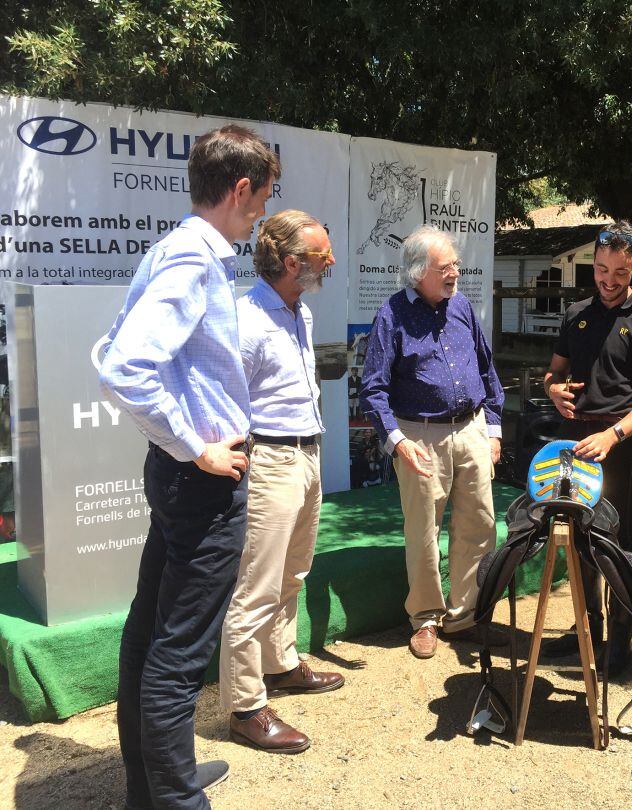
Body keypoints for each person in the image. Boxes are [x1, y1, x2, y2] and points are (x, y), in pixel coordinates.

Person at [99, 125, 280, 808]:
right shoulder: (193, 259)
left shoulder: (176, 249)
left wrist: (182, 445)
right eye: (262, 197)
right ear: (240, 190)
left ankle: (155, 784)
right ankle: (172, 799)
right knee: (176, 653)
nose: (262, 210)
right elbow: (123, 368)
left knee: (151, 633)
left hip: (183, 476)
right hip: (202, 480)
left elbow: (115, 350)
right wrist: (194, 445)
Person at [219, 210, 343, 754]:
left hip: (306, 454)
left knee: (294, 571)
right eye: (322, 256)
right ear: (293, 263)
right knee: (256, 586)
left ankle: (282, 664)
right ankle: (245, 708)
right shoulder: (246, 319)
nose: (331, 262)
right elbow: (225, 399)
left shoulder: (300, 311)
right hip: (269, 460)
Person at [359, 225, 506, 660]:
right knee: (423, 530)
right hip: (419, 434)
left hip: (473, 427)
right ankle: (425, 618)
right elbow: (373, 389)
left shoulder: (461, 306)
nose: (455, 274)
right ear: (419, 272)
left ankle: (465, 617)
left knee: (479, 525)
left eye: (456, 265)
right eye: (445, 268)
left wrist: (493, 429)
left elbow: (486, 367)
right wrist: (398, 442)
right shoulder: (391, 316)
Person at [541, 221, 632, 675]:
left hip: (619, 445)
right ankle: (586, 634)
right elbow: (552, 374)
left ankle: (620, 641)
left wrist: (614, 436)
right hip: (573, 446)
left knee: (615, 544)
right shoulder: (576, 311)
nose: (609, 280)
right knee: (577, 542)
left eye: (619, 271)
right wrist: (554, 390)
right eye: (600, 269)